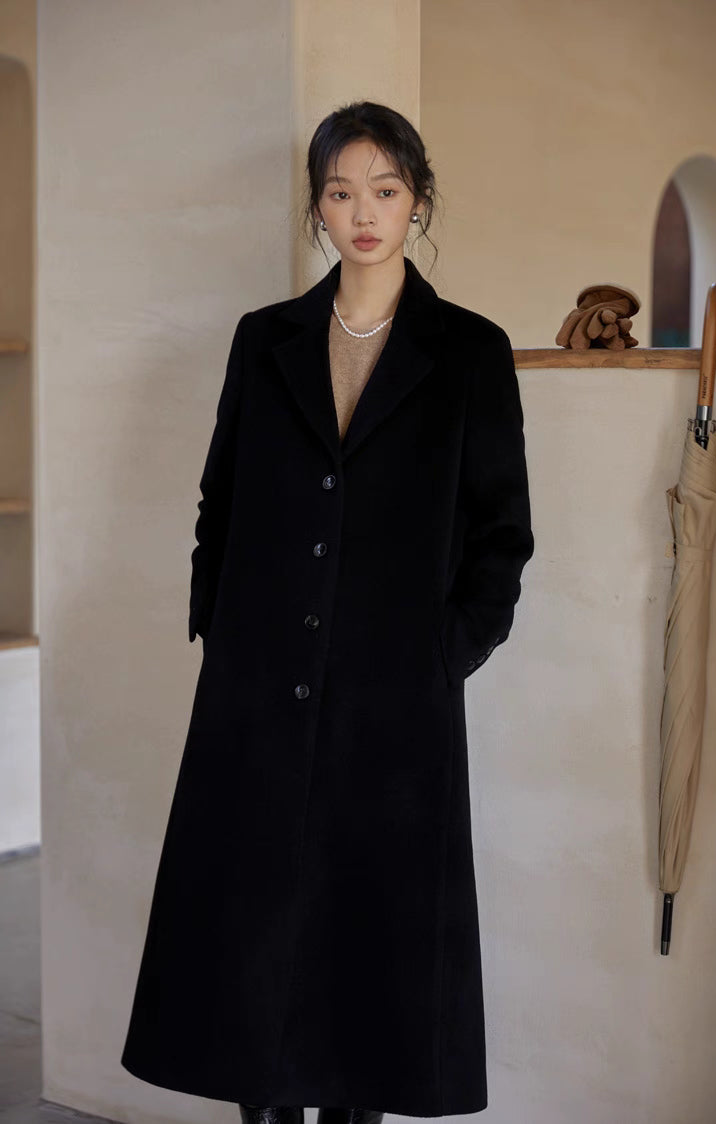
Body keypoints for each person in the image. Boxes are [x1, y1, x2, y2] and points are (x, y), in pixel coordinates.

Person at [121, 100, 534, 1123]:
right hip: (259, 696)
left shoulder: (470, 352)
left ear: (418, 202)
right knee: (253, 940)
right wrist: (226, 632)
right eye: (343, 191)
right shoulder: (267, 340)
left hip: (396, 709)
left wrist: (445, 654)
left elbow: (502, 535)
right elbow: (221, 497)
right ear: (318, 206)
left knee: (369, 950)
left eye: (386, 191)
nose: (364, 212)